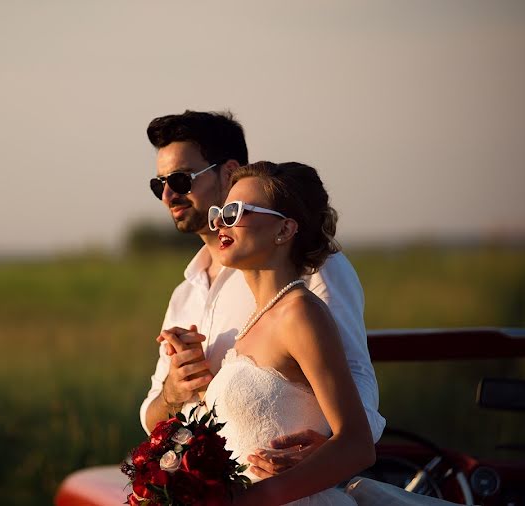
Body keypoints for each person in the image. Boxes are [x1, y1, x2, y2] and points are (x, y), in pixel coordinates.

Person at [139, 111, 386, 479]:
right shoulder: (184, 294)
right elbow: (151, 414)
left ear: (228, 171)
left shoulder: (312, 269)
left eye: (180, 179)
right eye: (158, 185)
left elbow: (353, 372)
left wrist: (333, 446)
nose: (169, 194)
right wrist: (174, 392)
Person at [201, 161, 374, 504]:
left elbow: (357, 445)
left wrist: (250, 499)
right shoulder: (255, 321)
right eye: (220, 211)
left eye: (236, 211)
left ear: (284, 230)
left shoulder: (300, 313)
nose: (220, 220)